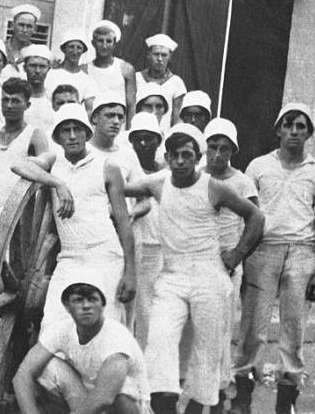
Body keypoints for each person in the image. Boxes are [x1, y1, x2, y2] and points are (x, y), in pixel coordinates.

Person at [122, 123, 264, 414]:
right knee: (160, 339)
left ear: (198, 156)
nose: (181, 162)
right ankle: (164, 405)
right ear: (168, 156)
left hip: (208, 276)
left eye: (187, 155)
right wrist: (108, 168)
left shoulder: (213, 187)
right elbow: (122, 187)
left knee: (207, 348)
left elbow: (256, 218)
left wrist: (237, 254)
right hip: (172, 277)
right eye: (175, 155)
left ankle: (198, 408)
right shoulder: (159, 182)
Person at [231, 103, 315, 414]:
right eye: (288, 125)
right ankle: (242, 396)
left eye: (300, 127)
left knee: (294, 326)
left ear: (309, 133)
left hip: (302, 251)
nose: (293, 132)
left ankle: (286, 401)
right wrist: (239, 254)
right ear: (278, 130)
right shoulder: (259, 167)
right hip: (263, 249)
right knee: (253, 325)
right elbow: (244, 215)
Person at [12, 103, 137, 331]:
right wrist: (57, 183)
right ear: (58, 137)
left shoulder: (107, 167)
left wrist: (130, 271)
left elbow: (123, 222)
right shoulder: (53, 162)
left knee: (105, 327)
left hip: (105, 256)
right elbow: (18, 164)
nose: (71, 136)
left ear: (87, 132)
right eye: (65, 130)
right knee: (53, 325)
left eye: (77, 129)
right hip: (69, 257)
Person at [13, 272, 149, 414]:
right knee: (48, 368)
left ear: (102, 305)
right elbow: (23, 374)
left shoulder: (116, 336)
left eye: (92, 300)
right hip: (87, 400)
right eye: (78, 300)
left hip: (122, 406)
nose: (86, 306)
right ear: (67, 306)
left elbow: (104, 397)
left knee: (123, 391)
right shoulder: (61, 330)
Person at [202, 118, 259, 407]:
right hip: (198, 260)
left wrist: (237, 254)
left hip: (227, 263)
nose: (217, 154)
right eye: (212, 147)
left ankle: (220, 387)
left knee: (222, 326)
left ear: (232, 151)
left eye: (224, 148)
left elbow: (256, 222)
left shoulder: (241, 181)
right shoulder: (196, 175)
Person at [0, 78, 47, 278]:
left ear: (27, 105)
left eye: (16, 101)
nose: (9, 105)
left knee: (7, 273)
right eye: (5, 100)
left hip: (14, 213)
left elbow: (45, 170)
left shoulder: (35, 135)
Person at [124, 112, 166, 348]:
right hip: (130, 244)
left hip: (157, 246)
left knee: (149, 307)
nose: (142, 144)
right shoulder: (127, 170)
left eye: (148, 139)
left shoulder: (166, 172)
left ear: (158, 141)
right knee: (128, 305)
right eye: (138, 139)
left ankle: (146, 358)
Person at [88, 93, 143, 187]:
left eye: (120, 117)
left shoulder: (128, 155)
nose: (116, 121)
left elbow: (139, 191)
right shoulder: (83, 151)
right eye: (110, 115)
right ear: (95, 118)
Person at [88, 20, 135, 123]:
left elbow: (131, 105)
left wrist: (128, 133)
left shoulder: (125, 69)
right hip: (93, 125)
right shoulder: (86, 69)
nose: (104, 46)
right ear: (93, 43)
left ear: (114, 44)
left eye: (108, 41)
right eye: (100, 41)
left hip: (117, 125)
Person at [136, 34, 186, 127]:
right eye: (156, 54)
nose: (159, 59)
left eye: (164, 55)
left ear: (170, 57)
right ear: (148, 55)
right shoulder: (137, 78)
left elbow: (178, 118)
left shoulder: (176, 83)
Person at [46, 27, 97, 113]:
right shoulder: (50, 74)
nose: (75, 51)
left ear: (83, 51)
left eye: (79, 48)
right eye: (71, 47)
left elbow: (90, 111)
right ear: (64, 49)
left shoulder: (88, 80)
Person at [22, 44, 58, 134]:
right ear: (24, 68)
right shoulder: (17, 96)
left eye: (42, 66)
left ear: (48, 69)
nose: (37, 71)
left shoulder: (53, 98)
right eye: (33, 66)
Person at [4, 4, 42, 71]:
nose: (24, 30)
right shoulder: (1, 48)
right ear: (12, 25)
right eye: (21, 25)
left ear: (35, 29)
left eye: (29, 26)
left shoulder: (37, 52)